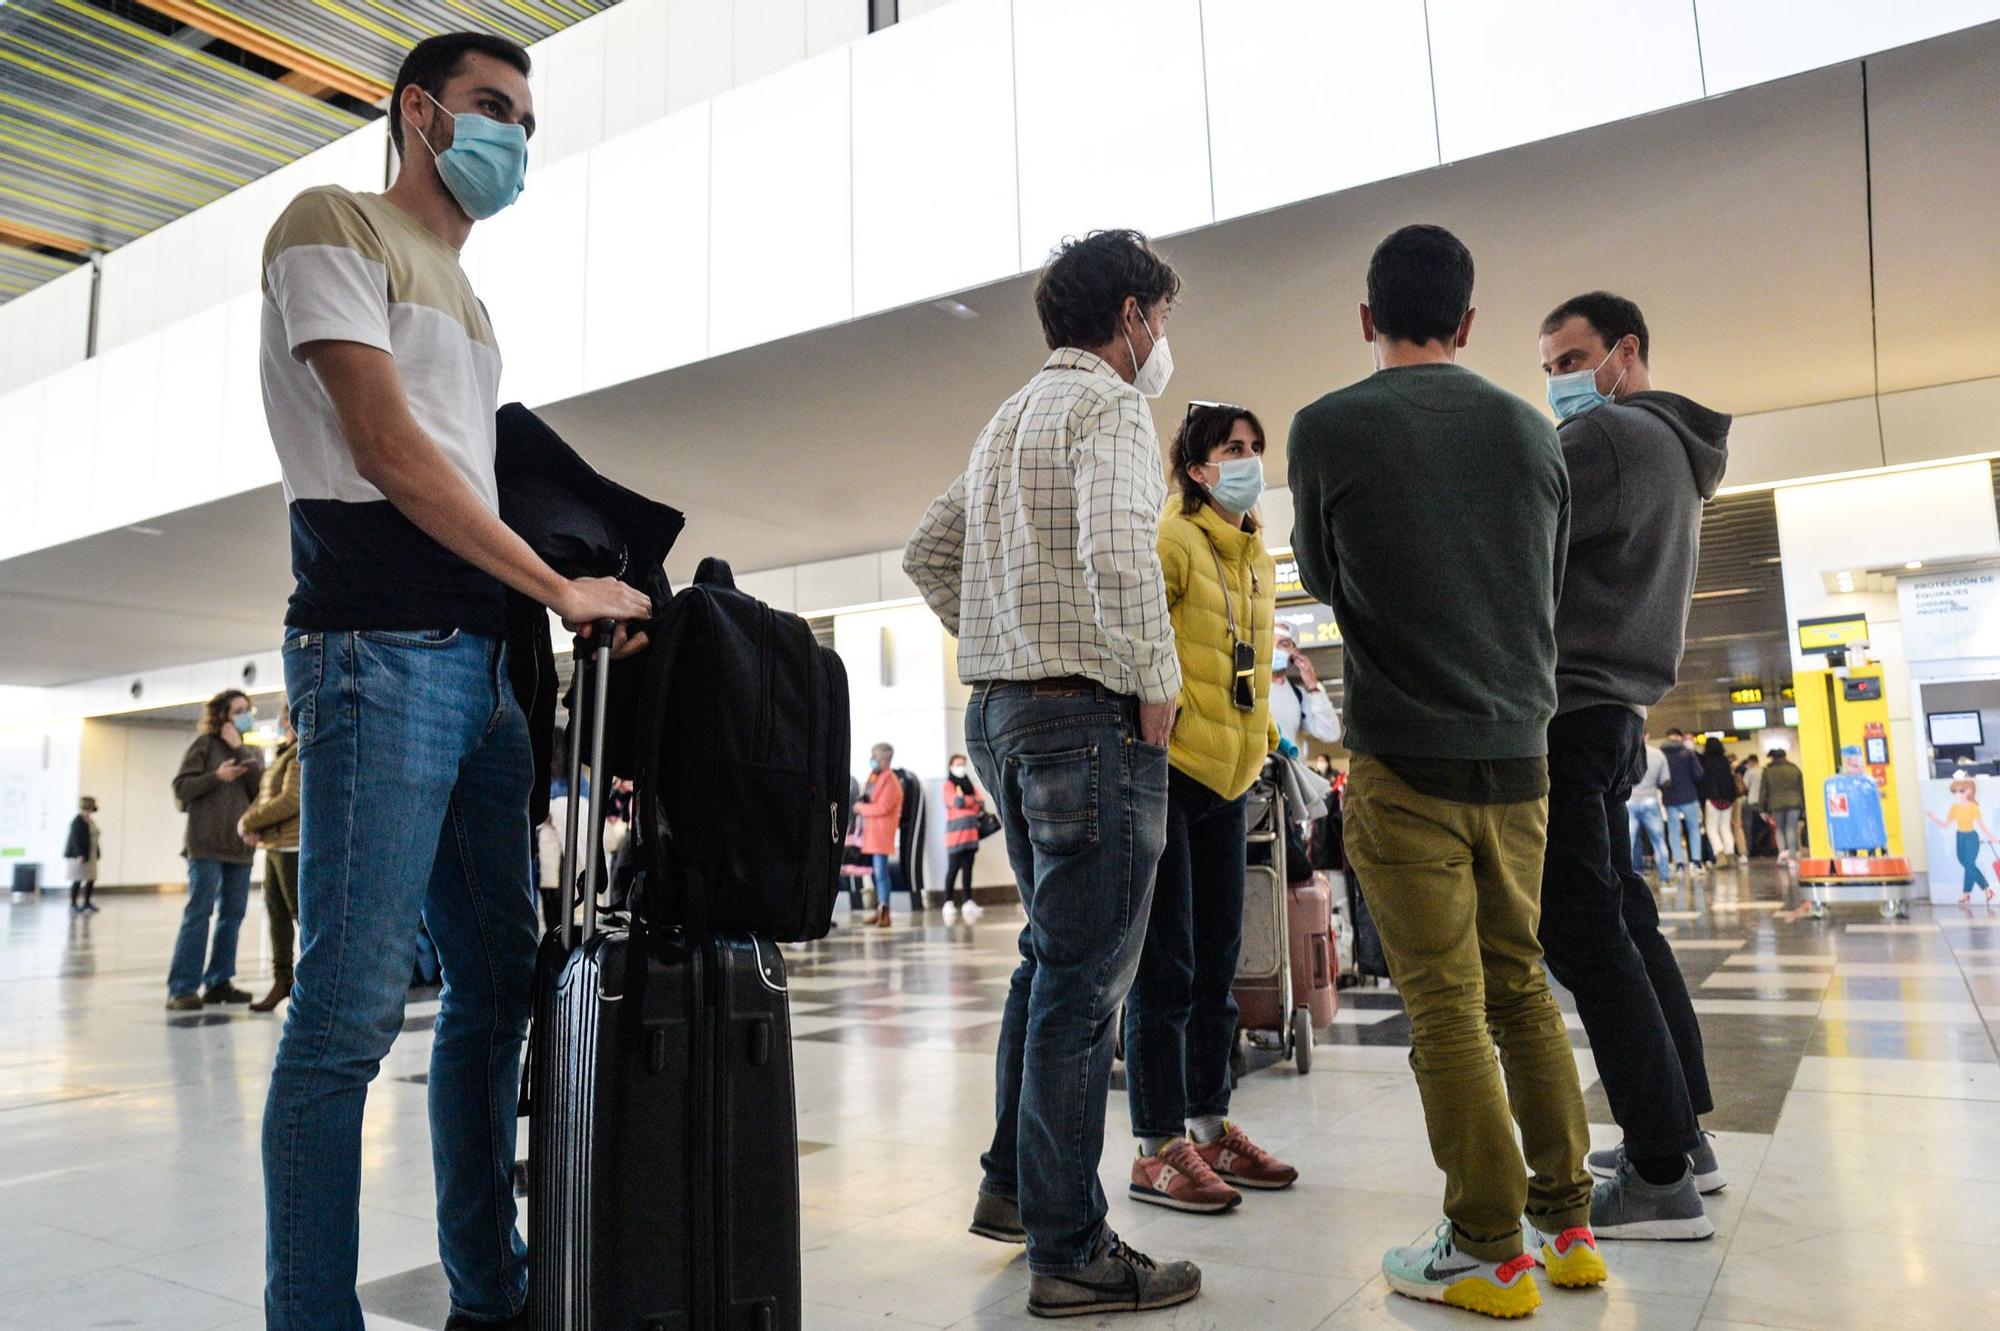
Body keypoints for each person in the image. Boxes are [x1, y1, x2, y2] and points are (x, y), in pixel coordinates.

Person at [256, 32, 652, 1331]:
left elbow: (471, 474)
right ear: (420, 113)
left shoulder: (470, 299)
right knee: (349, 1011)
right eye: (493, 109)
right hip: (376, 649)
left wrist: (553, 598)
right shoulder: (332, 222)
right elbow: (382, 447)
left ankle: (495, 1286)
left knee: (499, 982)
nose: (513, 139)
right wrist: (556, 581)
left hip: (485, 663)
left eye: (527, 119)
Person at [1288, 224, 1601, 1317]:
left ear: (1366, 319)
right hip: (1521, 756)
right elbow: (1543, 581)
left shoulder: (1326, 426)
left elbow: (1325, 574)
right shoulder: (1531, 431)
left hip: (1401, 755)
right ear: (1467, 324)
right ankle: (1566, 1225)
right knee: (1521, 984)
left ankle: (1483, 1245)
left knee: (1446, 1006)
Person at [904, 228, 1199, 1318]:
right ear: (1130, 315)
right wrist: (1153, 681)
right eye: (1159, 316)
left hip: (1003, 710)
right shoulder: (1111, 406)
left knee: (1046, 965)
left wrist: (1003, 637)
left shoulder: (1007, 416)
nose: (1161, 337)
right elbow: (1122, 552)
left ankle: (1014, 1189)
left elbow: (927, 551)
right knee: (1084, 987)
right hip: (1087, 716)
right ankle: (1071, 1247)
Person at [1534, 290, 1731, 1244]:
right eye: (1550, 368)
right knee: (1622, 915)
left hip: (1570, 709)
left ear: (1626, 351)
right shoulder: (1674, 449)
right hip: (1617, 709)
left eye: (1572, 359)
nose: (1560, 382)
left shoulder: (1609, 438)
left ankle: (1658, 1170)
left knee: (1580, 932)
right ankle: (1681, 1132)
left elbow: (1514, 535)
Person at [1124, 401, 1297, 1216]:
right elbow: (1137, 644)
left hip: (1232, 781)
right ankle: (1157, 1146)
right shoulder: (1173, 540)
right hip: (1172, 772)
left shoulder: (1259, 555)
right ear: (1197, 468)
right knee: (1168, 966)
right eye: (1234, 447)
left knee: (1220, 964)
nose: (1249, 458)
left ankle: (1211, 1122)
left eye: (1256, 447)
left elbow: (1255, 669)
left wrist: (1264, 746)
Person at [168, 691, 264, 1011]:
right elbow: (181, 788)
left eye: (247, 710)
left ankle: (219, 981)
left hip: (240, 847)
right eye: (238, 710)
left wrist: (239, 750)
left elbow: (261, 792)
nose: (244, 715)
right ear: (222, 715)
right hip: (205, 844)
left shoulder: (251, 751)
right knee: (199, 913)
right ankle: (182, 987)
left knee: (232, 915)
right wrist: (216, 776)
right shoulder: (204, 746)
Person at [241, 705, 303, 1012]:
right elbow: (265, 797)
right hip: (275, 845)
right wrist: (252, 820)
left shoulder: (301, 752)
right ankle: (283, 980)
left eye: (283, 717)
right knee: (277, 915)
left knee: (300, 915)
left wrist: (251, 823)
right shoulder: (284, 753)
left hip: (294, 846)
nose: (280, 723)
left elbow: (292, 800)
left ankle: (313, 983)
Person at [1269, 622, 1341, 752]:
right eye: (1270, 641)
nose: (1274, 648)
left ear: (1295, 652)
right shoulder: (1247, 687)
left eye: (1283, 644)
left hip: (1287, 769)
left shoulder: (1298, 695)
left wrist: (1313, 685)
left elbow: (1330, 732)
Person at [855, 743, 905, 928]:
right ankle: (879, 909)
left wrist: (861, 808)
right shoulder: (875, 777)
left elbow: (883, 807)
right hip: (870, 833)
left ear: (884, 759)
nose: (872, 759)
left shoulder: (891, 781)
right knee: (875, 874)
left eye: (874, 756)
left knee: (881, 873)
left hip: (881, 833)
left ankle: (885, 911)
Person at [1929, 777, 1998, 904]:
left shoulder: (1973, 807)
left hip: (1971, 837)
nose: (1957, 794)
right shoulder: (1954, 807)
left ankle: (1979, 891)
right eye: (1955, 791)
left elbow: (1981, 825)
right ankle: (1975, 892)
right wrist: (1933, 817)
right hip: (1959, 836)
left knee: (1969, 864)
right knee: (1966, 863)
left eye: (1961, 791)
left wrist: (1992, 837)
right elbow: (1945, 824)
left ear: (1969, 791)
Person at [941, 755, 988, 922]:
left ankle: (968, 901)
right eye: (957, 764)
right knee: (953, 868)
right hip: (955, 836)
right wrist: (971, 801)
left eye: (963, 764)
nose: (961, 767)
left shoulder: (969, 783)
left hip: (971, 835)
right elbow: (956, 802)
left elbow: (980, 802)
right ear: (951, 766)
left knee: (968, 869)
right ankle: (948, 901)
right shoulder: (948, 785)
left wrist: (969, 801)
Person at [1659, 729, 1706, 875]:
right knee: (1693, 829)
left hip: (1670, 798)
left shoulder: (1661, 755)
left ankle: (1679, 863)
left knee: (1674, 831)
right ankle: (1696, 862)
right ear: (1679, 738)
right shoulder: (1688, 753)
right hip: (1689, 796)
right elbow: (1699, 774)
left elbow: (1659, 779)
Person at [1628, 737, 1672, 876]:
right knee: (1658, 840)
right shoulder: (1658, 754)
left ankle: (1637, 873)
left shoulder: (1627, 752)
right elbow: (1666, 780)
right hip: (1651, 800)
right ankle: (1665, 876)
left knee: (1631, 841)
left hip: (1630, 801)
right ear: (1646, 736)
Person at [1699, 738, 1740, 868]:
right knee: (1725, 827)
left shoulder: (1706, 761)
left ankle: (1719, 853)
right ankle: (1730, 854)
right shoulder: (1725, 761)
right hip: (1727, 799)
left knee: (1711, 827)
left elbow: (1704, 780)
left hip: (1712, 798)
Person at [1762, 748, 1807, 863]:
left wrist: (1762, 809)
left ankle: (1783, 855)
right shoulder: (1794, 769)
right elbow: (1802, 788)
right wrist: (1804, 806)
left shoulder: (1768, 771)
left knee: (1779, 829)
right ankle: (1792, 855)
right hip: (1794, 803)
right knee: (1791, 829)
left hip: (1776, 804)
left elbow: (1764, 791)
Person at [64, 796, 102, 913]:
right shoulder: (77, 822)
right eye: (87, 809)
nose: (89, 812)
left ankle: (86, 902)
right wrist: (80, 854)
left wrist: (97, 853)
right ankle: (73, 904)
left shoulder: (90, 821)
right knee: (77, 879)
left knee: (91, 879)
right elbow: (75, 839)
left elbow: (94, 837)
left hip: (91, 854)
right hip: (80, 855)